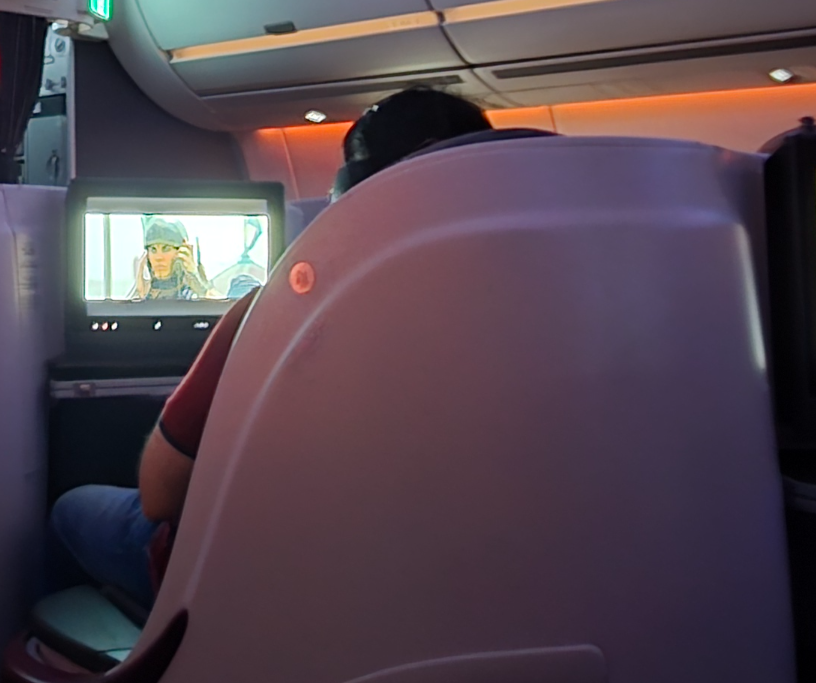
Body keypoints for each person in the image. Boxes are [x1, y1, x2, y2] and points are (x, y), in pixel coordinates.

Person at [48, 87, 494, 613]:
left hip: (278, 574)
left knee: (72, 508)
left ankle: (113, 654)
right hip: (451, 578)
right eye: (155, 249)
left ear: (351, 194)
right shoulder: (532, 309)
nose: (162, 257)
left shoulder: (274, 310)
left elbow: (160, 495)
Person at [127, 216, 210, 301]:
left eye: (166, 248)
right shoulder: (143, 293)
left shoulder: (192, 295)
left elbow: (216, 304)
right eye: (153, 249)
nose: (158, 257)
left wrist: (199, 286)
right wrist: (142, 298)